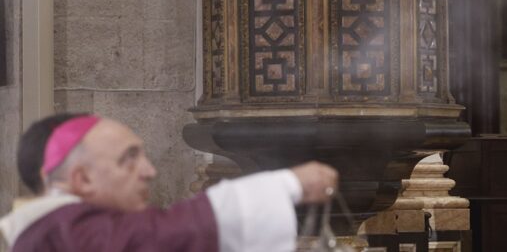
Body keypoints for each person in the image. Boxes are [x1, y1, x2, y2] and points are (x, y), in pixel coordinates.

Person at [0, 113, 339, 251]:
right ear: (82, 178)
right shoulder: (62, 233)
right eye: (129, 159)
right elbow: (160, 235)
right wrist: (286, 185)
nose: (149, 171)